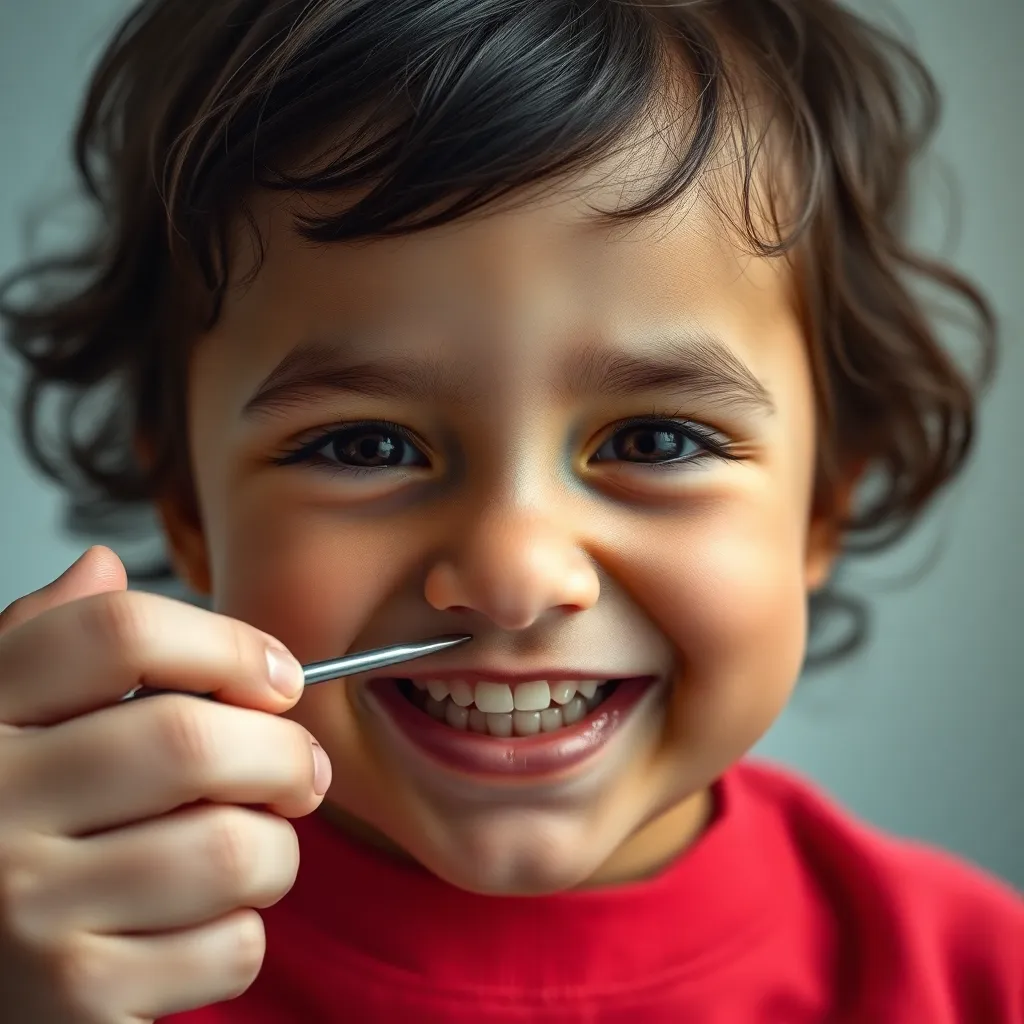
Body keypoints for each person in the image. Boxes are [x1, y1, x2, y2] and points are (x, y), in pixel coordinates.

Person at [0, 1, 1020, 1021]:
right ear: (186, 503)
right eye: (367, 446)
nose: (512, 577)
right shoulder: (58, 946)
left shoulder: (980, 980)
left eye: (652, 441)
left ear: (820, 504)